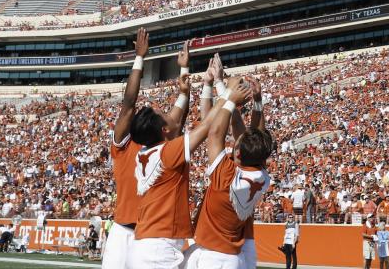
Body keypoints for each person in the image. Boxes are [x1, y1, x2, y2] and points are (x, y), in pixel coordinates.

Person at [127, 66, 246, 269]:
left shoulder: (146, 152)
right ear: (163, 130)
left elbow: (176, 127)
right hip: (158, 249)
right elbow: (208, 126)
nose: (170, 113)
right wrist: (228, 95)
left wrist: (189, 92)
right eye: (165, 114)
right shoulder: (167, 152)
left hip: (146, 244)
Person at [103, 29, 187, 269]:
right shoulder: (125, 144)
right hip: (122, 230)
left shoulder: (162, 146)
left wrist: (184, 71)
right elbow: (128, 103)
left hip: (151, 235)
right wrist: (139, 58)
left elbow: (178, 121)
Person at [186, 71, 272, 269]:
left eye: (236, 143)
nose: (235, 138)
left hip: (212, 256)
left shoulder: (225, 175)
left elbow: (215, 132)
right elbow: (257, 137)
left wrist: (229, 95)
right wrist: (256, 101)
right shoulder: (261, 175)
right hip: (233, 256)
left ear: (239, 154)